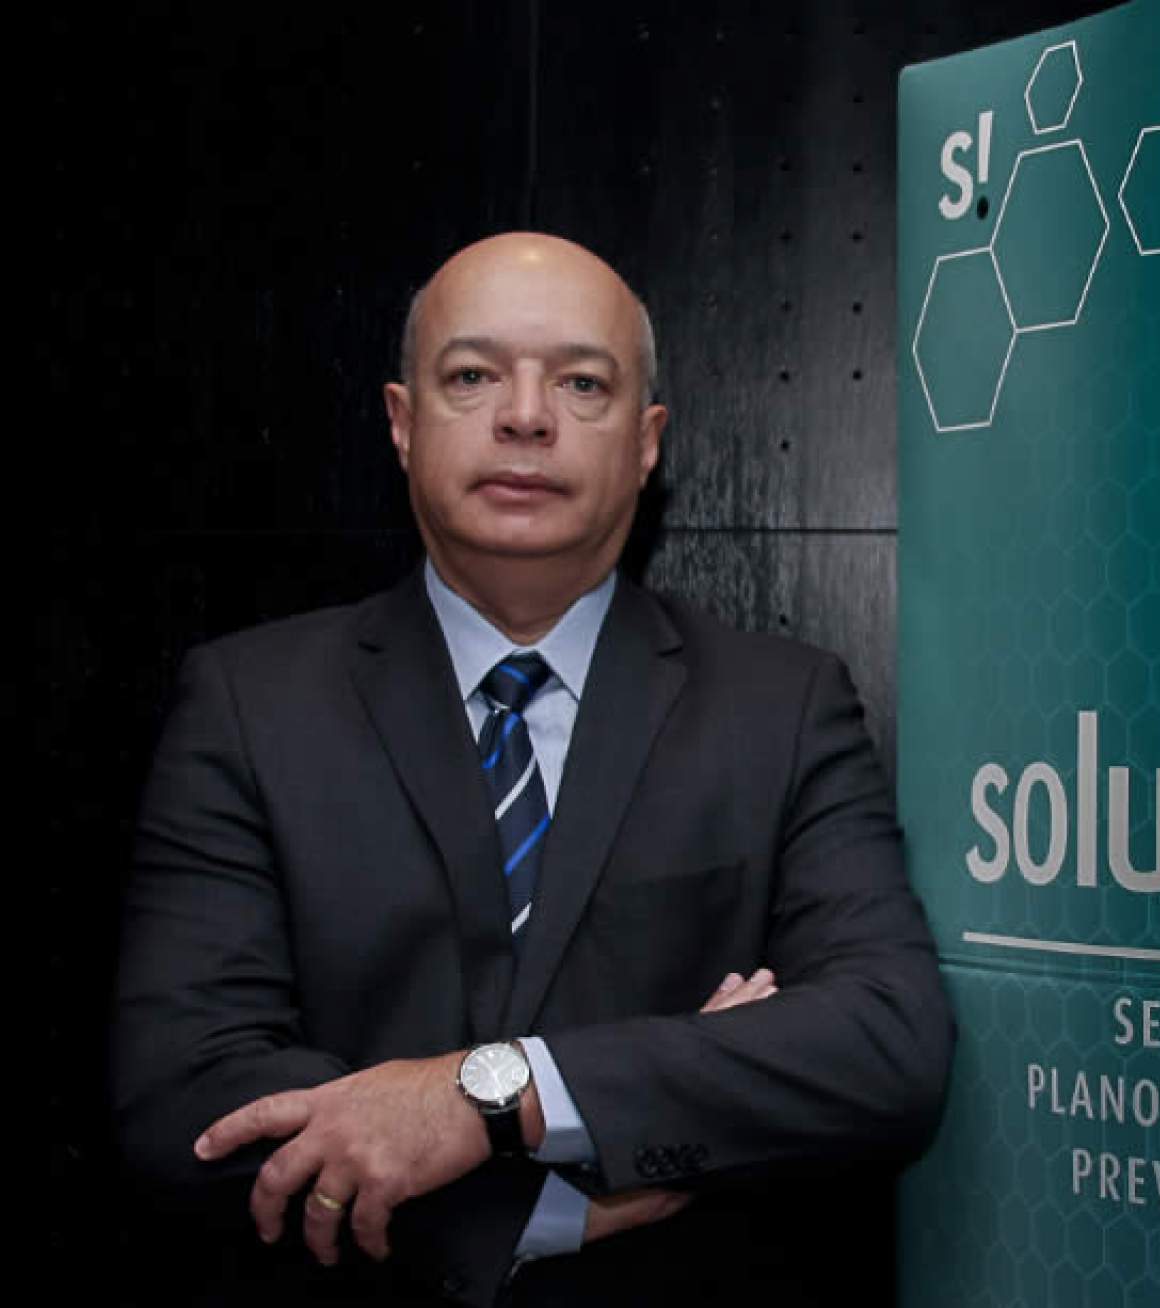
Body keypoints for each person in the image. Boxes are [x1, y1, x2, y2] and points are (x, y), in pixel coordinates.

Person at [109, 232, 955, 1306]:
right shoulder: (249, 703)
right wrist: (551, 1203)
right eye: (472, 375)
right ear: (402, 423)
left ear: (647, 443)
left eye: (581, 383)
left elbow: (886, 1045)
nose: (524, 416)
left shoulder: (782, 707)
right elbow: (185, 1092)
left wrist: (482, 1101)